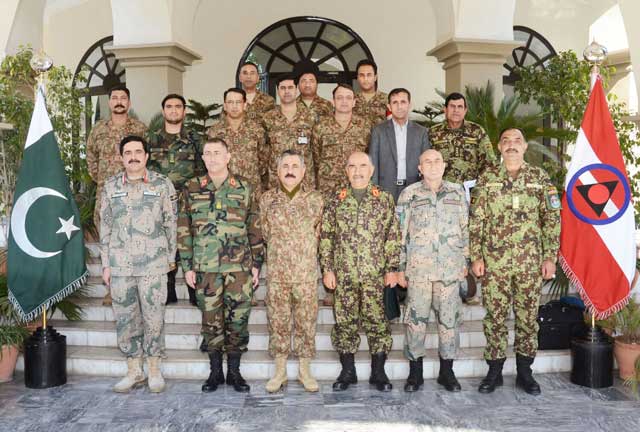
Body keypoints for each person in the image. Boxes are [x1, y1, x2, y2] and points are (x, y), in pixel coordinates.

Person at [470, 128, 560, 396]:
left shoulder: (540, 178)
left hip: (529, 263)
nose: (511, 145)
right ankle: (494, 372)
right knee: (495, 318)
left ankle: (525, 372)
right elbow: (476, 221)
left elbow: (552, 219)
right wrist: (476, 256)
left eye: (517, 141)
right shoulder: (487, 179)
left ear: (525, 147)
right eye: (506, 141)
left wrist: (550, 257)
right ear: (499, 147)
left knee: (527, 319)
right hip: (494, 263)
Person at [177, 137, 264, 393]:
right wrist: (188, 266)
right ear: (202, 158)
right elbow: (184, 227)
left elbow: (255, 227)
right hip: (205, 268)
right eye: (207, 153)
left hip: (239, 268)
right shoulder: (192, 187)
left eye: (217, 152)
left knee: (238, 319)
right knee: (211, 321)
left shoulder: (244, 187)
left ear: (228, 157)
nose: (212, 157)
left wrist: (256, 262)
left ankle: (234, 372)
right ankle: (215, 372)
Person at [100, 135, 177, 394]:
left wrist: (170, 259)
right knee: (125, 319)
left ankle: (154, 369)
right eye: (128, 152)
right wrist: (105, 264)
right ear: (121, 157)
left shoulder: (162, 185)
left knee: (154, 318)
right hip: (120, 266)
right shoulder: (110, 186)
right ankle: (134, 370)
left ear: (146, 156)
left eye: (138, 152)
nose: (133, 156)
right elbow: (105, 227)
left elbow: (171, 223)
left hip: (153, 265)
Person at [319, 151, 400, 392]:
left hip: (375, 275)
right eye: (352, 166)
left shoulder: (384, 199)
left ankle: (379, 372)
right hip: (344, 275)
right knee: (345, 322)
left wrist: (392, 268)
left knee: (378, 322)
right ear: (346, 170)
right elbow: (326, 237)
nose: (357, 170)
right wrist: (327, 269)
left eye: (363, 166)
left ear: (371, 170)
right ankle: (348, 371)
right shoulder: (336, 199)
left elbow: (393, 236)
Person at [396, 149, 468, 393]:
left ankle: (447, 373)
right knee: (416, 323)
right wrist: (399, 268)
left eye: (438, 160)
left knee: (449, 323)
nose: (433, 165)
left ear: (444, 165)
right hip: (419, 272)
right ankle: (415, 374)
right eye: (428, 161)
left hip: (449, 272)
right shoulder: (409, 194)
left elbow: (466, 229)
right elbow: (400, 234)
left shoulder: (458, 192)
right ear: (420, 168)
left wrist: (464, 262)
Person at [259, 150, 324, 393]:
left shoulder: (316, 199)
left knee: (306, 321)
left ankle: (305, 371)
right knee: (278, 321)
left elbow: (320, 233)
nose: (290, 169)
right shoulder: (267, 199)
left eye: (295, 165)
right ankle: (280, 371)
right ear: (277, 171)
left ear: (304, 171)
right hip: (277, 274)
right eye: (285, 165)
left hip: (305, 273)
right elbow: (265, 233)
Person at [86, 84, 147, 306]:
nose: (119, 101)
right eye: (115, 98)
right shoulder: (98, 129)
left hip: (135, 195)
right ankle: (113, 290)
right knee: (110, 242)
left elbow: (147, 157)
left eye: (123, 98)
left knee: (135, 239)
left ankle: (138, 288)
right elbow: (91, 158)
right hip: (106, 196)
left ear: (129, 103)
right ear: (109, 102)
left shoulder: (140, 128)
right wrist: (102, 180)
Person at [147, 93, 203, 306]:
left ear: (184, 111)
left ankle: (193, 290)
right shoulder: (151, 139)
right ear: (163, 111)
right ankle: (168, 289)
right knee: (164, 243)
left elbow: (202, 167)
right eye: (169, 107)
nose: (173, 110)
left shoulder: (195, 139)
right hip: (160, 202)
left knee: (191, 243)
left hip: (188, 200)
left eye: (177, 106)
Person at [369, 88, 431, 202]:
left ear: (409, 105)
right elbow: (373, 163)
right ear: (389, 106)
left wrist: (426, 189)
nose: (399, 106)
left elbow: (426, 162)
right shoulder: (379, 131)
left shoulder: (421, 132)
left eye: (403, 102)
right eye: (395, 102)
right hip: (385, 189)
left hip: (414, 187)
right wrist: (374, 190)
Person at [312, 83, 371, 197]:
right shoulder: (320, 127)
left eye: (348, 98)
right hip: (328, 189)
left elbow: (368, 155)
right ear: (333, 101)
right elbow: (315, 158)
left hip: (356, 187)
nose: (344, 101)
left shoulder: (365, 126)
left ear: (354, 102)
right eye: (339, 98)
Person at [207, 87, 266, 195]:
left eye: (238, 102)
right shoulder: (214, 132)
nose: (234, 106)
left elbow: (263, 158)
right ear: (225, 106)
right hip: (223, 189)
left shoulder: (257, 130)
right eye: (230, 102)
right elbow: (210, 161)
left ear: (245, 105)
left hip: (251, 189)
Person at [263, 75, 317, 191]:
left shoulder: (310, 116)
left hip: (305, 179)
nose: (286, 91)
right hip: (276, 179)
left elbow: (317, 148)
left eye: (290, 87)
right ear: (278, 91)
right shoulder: (268, 118)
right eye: (283, 88)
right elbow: (263, 149)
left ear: (296, 89)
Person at [429, 92, 496, 185]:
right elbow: (426, 161)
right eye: (452, 106)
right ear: (445, 109)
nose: (456, 110)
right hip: (442, 189)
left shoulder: (476, 131)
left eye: (460, 107)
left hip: (470, 189)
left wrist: (481, 185)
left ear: (465, 110)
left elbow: (489, 162)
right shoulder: (433, 132)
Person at [353, 59, 388, 126]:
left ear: (375, 77)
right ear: (357, 78)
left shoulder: (387, 99)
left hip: (379, 136)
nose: (365, 79)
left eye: (369, 75)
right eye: (362, 75)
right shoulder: (351, 99)